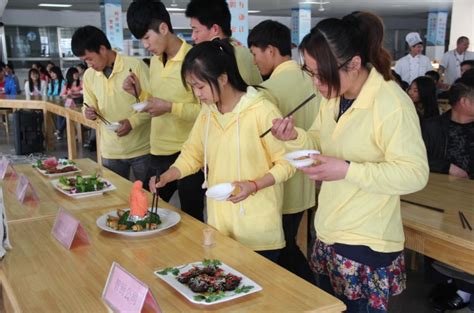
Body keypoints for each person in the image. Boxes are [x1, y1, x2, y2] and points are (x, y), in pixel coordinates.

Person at [270, 12, 429, 312]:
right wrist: (294, 137)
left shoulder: (391, 104)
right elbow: (319, 141)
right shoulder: (334, 96)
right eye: (311, 73)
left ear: (354, 64)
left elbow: (415, 174)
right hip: (329, 229)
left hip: (366, 242)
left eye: (322, 74)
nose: (316, 83)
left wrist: (347, 170)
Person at [150, 39, 294, 262]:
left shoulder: (262, 110)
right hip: (220, 227)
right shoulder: (208, 112)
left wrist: (254, 185)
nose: (197, 94)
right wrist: (168, 176)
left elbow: (286, 163)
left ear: (223, 79)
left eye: (200, 86)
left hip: (258, 231)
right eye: (192, 87)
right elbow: (193, 153)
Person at [247, 19, 320, 283]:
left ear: (271, 50)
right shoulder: (314, 79)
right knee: (290, 243)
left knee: (284, 248)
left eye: (255, 54)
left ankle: (314, 297)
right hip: (308, 182)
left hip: (281, 185)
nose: (255, 62)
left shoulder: (268, 91)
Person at [125, 0, 205, 221]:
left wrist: (170, 107)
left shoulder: (194, 59)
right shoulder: (155, 61)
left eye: (147, 38)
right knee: (147, 210)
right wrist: (139, 93)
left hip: (188, 154)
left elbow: (205, 111)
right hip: (158, 152)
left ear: (163, 28)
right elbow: (154, 102)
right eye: (141, 40)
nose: (146, 45)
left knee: (192, 218)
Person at [71, 25, 151, 186]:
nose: (88, 64)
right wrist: (88, 113)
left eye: (89, 59)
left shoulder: (135, 66)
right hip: (110, 151)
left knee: (146, 202)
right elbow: (88, 105)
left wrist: (132, 122)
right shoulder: (89, 76)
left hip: (142, 149)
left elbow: (152, 103)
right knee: (115, 200)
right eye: (84, 61)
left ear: (102, 49)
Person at [185, 0, 262, 85]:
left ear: (215, 29)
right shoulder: (240, 51)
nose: (193, 37)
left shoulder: (233, 56)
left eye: (196, 31)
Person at [421, 76, 474, 179]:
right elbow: (415, 157)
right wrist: (446, 167)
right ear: (464, 101)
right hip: (442, 189)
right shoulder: (431, 127)